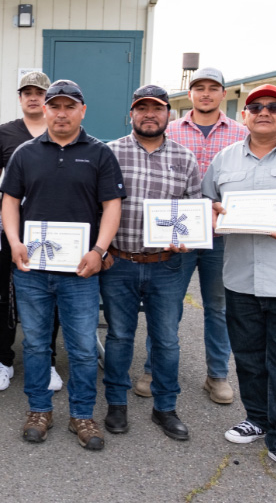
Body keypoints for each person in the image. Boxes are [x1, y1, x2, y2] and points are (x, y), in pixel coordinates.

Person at [204, 83, 276, 481]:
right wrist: (215, 212)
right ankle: (257, 419)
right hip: (241, 278)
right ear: (244, 116)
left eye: (274, 106)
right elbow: (208, 204)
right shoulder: (223, 160)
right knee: (250, 358)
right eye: (255, 107)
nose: (264, 112)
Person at [1, 79, 124, 450]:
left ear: (82, 111)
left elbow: (112, 206)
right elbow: (9, 200)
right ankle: (39, 409)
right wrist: (13, 242)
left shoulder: (100, 153)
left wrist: (100, 250)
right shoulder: (25, 152)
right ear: (45, 109)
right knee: (37, 344)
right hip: (33, 272)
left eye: (70, 106)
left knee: (84, 347)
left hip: (80, 272)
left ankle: (82, 415)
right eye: (55, 106)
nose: (61, 113)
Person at [128, 67, 248, 405]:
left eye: (213, 88)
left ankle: (217, 375)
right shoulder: (170, 129)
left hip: (222, 234)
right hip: (176, 233)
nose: (206, 93)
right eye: (199, 88)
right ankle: (153, 369)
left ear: (223, 93)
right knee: (165, 306)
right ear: (189, 94)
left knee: (218, 307)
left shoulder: (241, 133)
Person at [100, 85, 201, 442]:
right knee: (119, 337)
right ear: (131, 114)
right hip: (120, 262)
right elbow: (96, 205)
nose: (149, 114)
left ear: (168, 114)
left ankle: (165, 408)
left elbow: (195, 207)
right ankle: (116, 403)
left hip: (167, 264)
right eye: (141, 108)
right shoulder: (110, 153)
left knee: (167, 340)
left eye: (156, 109)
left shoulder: (185, 158)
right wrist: (103, 250)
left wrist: (190, 234)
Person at [0, 71, 62, 393]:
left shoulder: (60, 129)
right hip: (13, 231)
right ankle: (3, 359)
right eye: (27, 92)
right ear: (20, 98)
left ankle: (49, 361)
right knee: (8, 296)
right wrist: (0, 221)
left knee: (53, 297)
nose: (33, 97)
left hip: (55, 230)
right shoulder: (5, 133)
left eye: (39, 92)